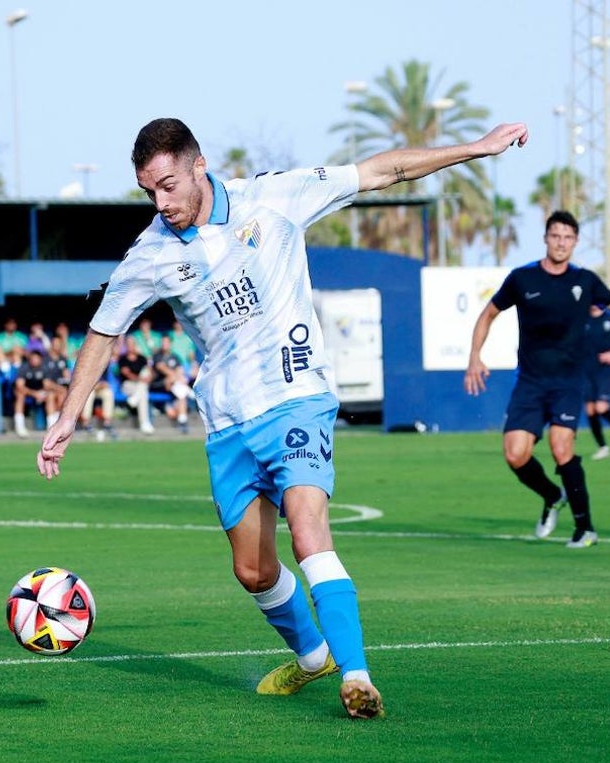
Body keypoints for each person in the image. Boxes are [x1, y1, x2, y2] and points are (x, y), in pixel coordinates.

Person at [39, 116, 530, 719]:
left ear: (199, 165)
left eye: (168, 185)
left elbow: (383, 170)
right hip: (227, 421)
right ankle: (313, 656)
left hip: (297, 397)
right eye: (148, 191)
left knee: (308, 531)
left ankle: (357, 675)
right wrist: (68, 415)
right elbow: (104, 330)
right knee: (252, 569)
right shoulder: (151, 254)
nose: (160, 202)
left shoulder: (273, 197)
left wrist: (476, 149)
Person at [465, 210, 610, 548]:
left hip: (568, 382)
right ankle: (551, 494)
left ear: (575, 242)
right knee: (515, 454)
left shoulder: (586, 281)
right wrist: (474, 356)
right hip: (530, 381)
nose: (561, 242)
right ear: (546, 238)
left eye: (568, 237)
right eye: (555, 235)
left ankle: (584, 527)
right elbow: (488, 314)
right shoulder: (522, 278)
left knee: (562, 447)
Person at [583, 305, 610, 461]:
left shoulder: (608, 318)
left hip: (605, 371)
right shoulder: (582, 319)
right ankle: (603, 447)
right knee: (591, 410)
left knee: (601, 407)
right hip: (586, 370)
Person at [151, 333, 192, 432]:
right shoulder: (157, 356)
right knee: (174, 381)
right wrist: (175, 376)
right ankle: (190, 393)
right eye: (163, 342)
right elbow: (162, 368)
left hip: (173, 385)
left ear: (171, 344)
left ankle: (182, 421)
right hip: (159, 384)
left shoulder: (175, 357)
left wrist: (176, 377)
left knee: (181, 394)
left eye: (167, 342)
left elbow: (180, 370)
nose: (165, 344)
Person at [116, 335, 156, 434]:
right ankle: (145, 423)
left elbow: (150, 372)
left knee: (143, 391)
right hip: (128, 385)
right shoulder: (122, 359)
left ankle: (134, 402)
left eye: (132, 344)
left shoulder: (142, 358)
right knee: (143, 390)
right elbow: (127, 374)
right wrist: (141, 379)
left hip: (140, 386)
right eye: (128, 344)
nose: (130, 346)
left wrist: (148, 378)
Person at [13, 348, 52, 437]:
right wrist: (34, 394)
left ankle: (51, 427)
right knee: (19, 395)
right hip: (27, 393)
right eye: (32, 358)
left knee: (51, 396)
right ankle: (20, 427)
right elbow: (19, 386)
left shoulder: (44, 368)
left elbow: (47, 385)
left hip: (41, 393)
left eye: (36, 358)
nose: (34, 360)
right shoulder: (24, 368)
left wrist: (42, 393)